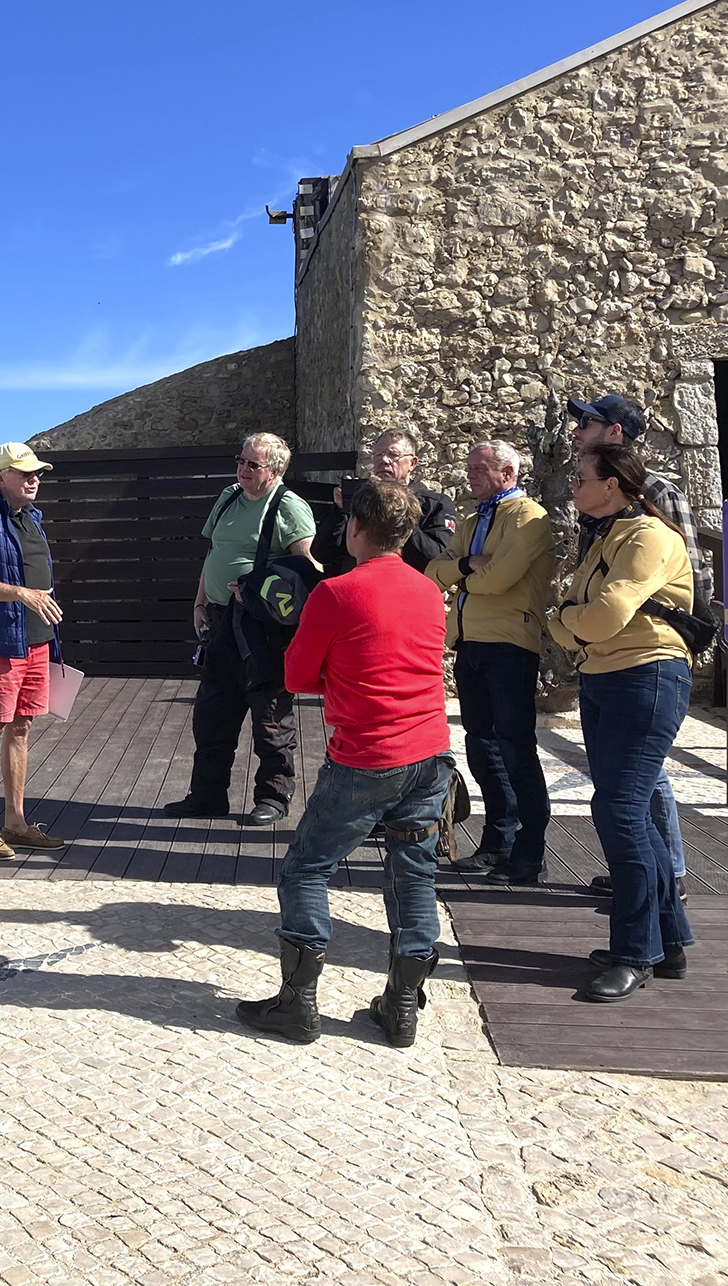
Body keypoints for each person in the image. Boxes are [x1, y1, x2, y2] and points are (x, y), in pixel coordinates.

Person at [235, 480, 454, 1048]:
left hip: (367, 755)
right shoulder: (428, 591)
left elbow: (295, 675)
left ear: (355, 527)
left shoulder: (337, 592)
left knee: (307, 869)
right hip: (430, 752)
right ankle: (400, 1008)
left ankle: (297, 1004)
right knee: (414, 873)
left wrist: (340, 678)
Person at [549, 444, 697, 1001]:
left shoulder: (648, 536)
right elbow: (580, 617)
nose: (573, 486)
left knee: (619, 811)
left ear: (611, 484)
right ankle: (668, 941)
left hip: (646, 678)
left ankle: (635, 950)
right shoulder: (607, 537)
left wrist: (568, 622)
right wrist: (573, 622)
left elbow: (599, 617)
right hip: (606, 677)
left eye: (580, 478)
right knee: (628, 810)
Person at [569, 393, 706, 900]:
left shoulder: (655, 492)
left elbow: (691, 568)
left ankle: (665, 874)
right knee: (626, 780)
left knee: (642, 777)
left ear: (615, 434)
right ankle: (644, 873)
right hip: (605, 652)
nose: (578, 430)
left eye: (588, 422)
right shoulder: (595, 495)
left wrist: (688, 635)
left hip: (644, 654)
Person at [162, 433, 318, 826]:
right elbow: (213, 553)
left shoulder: (289, 507)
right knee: (212, 714)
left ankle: (273, 798)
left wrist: (260, 592)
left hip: (261, 628)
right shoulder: (229, 497)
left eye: (253, 464)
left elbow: (306, 573)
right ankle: (207, 796)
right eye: (240, 460)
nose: (242, 469)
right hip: (220, 620)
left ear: (275, 470)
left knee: (270, 717)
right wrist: (199, 603)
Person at [426, 441, 557, 883]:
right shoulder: (472, 521)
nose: (470, 475)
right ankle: (498, 842)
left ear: (507, 473)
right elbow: (433, 573)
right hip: (470, 644)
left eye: (479, 469)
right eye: (469, 467)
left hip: (509, 644)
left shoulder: (529, 517)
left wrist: (461, 573)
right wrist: (470, 563)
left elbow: (499, 579)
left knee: (516, 748)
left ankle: (530, 851)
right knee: (482, 749)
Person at [0, 443, 69, 861]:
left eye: (37, 472)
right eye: (24, 473)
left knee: (21, 727)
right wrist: (22, 594)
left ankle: (16, 823)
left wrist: (35, 603)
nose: (34, 479)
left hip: (37, 639)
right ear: (0, 476)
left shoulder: (30, 516)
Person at [312, 429, 458, 577]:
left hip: (407, 585)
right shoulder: (362, 500)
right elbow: (321, 554)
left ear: (412, 463)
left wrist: (401, 515)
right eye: (378, 454)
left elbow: (436, 560)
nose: (384, 460)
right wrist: (340, 511)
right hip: (356, 584)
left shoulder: (435, 505)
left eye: (393, 455)